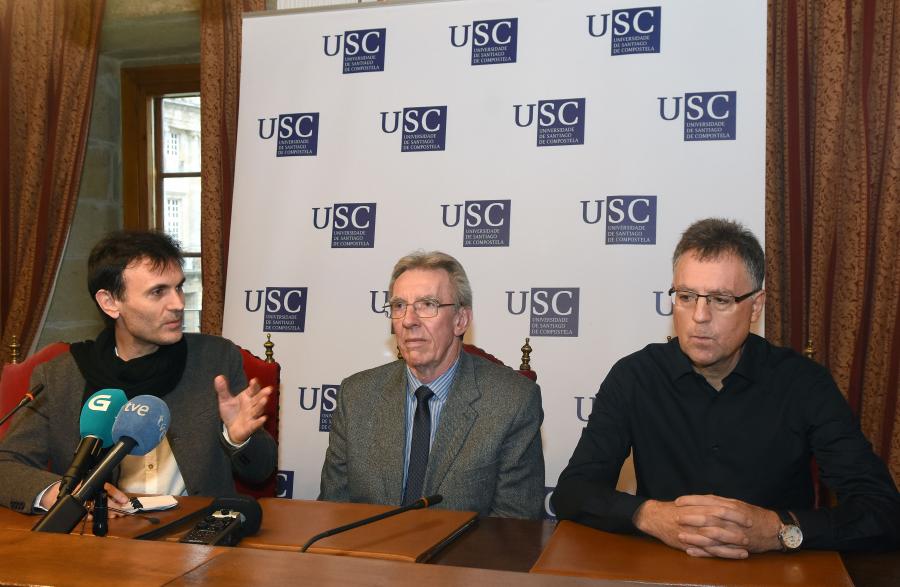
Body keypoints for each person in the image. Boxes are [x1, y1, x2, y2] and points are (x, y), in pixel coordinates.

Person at [552, 218, 900, 556]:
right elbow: (571, 493)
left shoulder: (804, 384)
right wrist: (650, 516)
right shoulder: (635, 377)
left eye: (720, 300)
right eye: (686, 296)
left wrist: (779, 529)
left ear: (755, 306)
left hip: (775, 576)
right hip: (663, 572)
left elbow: (883, 512)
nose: (700, 316)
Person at [0, 230, 276, 514]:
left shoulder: (215, 360)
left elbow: (261, 472)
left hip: (194, 531)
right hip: (97, 537)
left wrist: (239, 439)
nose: (178, 304)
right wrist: (59, 494)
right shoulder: (60, 377)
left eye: (179, 287)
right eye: (158, 292)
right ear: (110, 302)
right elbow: (6, 466)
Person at [319, 251, 544, 518]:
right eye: (399, 306)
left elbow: (514, 529)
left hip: (460, 559)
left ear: (460, 320)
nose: (409, 321)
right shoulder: (356, 396)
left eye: (427, 305)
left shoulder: (512, 401)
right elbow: (334, 511)